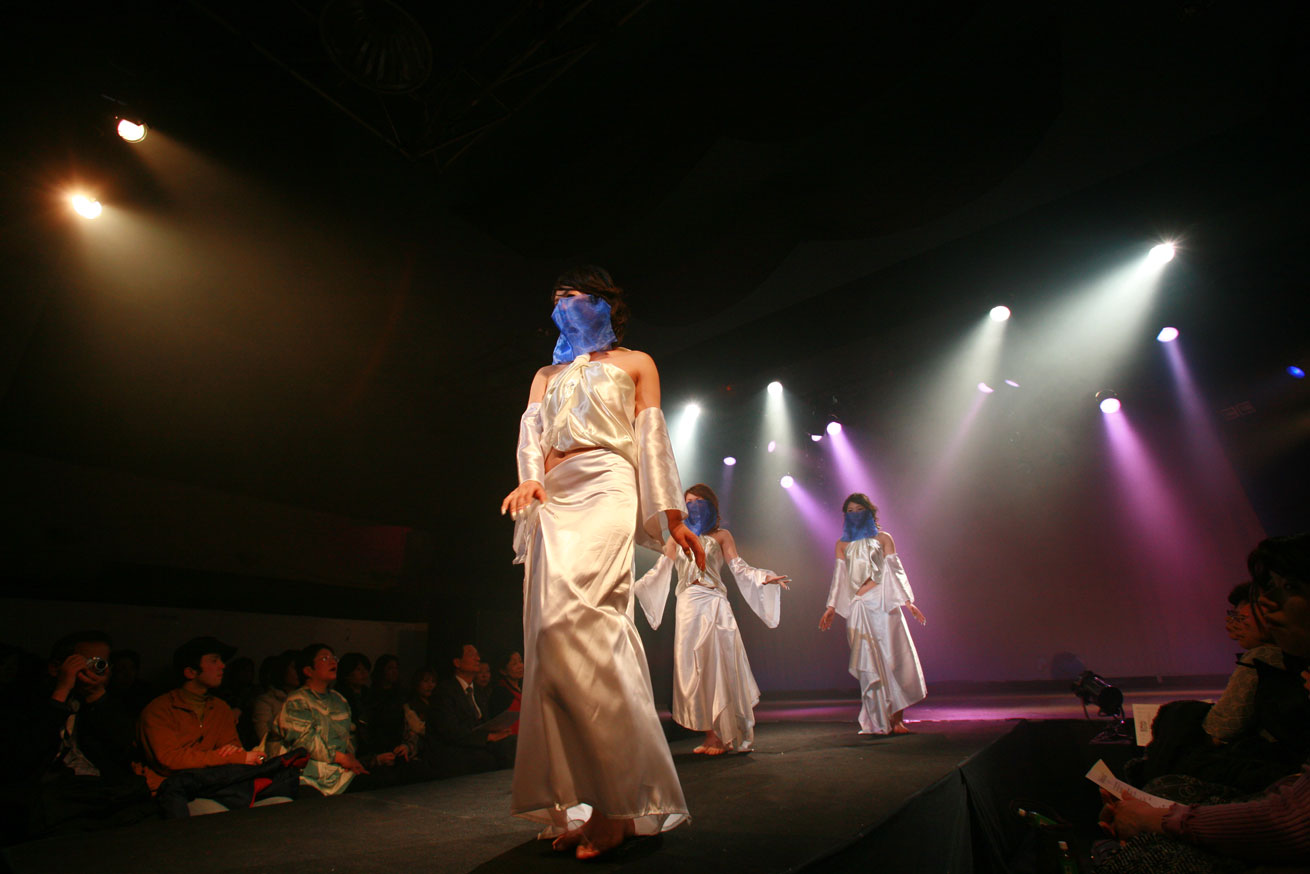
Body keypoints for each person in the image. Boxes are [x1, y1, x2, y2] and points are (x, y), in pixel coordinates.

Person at [501, 266, 704, 858]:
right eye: (556, 297)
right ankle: (582, 801)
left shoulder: (637, 363)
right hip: (554, 494)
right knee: (548, 636)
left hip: (608, 483)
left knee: (589, 625)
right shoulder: (546, 374)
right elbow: (532, 433)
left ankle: (619, 804)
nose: (562, 303)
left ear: (605, 304)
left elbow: (651, 439)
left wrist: (671, 515)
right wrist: (531, 479)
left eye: (573, 294)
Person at [1095, 534, 1310, 872]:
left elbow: (1292, 819)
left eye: (1290, 587)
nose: (1268, 603)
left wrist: (1156, 819)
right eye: (1269, 588)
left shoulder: (1263, 660)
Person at [634, 484, 789, 754]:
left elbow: (739, 567)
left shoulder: (721, 536)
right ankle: (710, 735)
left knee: (719, 663)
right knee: (695, 669)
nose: (692, 505)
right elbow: (661, 570)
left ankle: (724, 734)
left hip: (715, 602)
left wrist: (764, 577)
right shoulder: (676, 537)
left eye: (698, 501)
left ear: (710, 505)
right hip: (687, 606)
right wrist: (632, 586)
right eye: (688, 502)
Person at [818, 493, 927, 735]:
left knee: (894, 657)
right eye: (850, 511)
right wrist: (832, 606)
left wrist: (908, 602)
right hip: (859, 606)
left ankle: (897, 719)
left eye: (859, 509)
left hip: (884, 602)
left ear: (869, 511)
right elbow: (839, 577)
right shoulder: (842, 544)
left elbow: (895, 569)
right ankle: (878, 720)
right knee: (869, 662)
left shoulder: (883, 538)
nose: (855, 514)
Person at [488, 650, 523, 735]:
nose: (520, 666)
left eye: (520, 661)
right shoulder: (500, 693)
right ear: (503, 671)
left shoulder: (524, 687)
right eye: (514, 664)